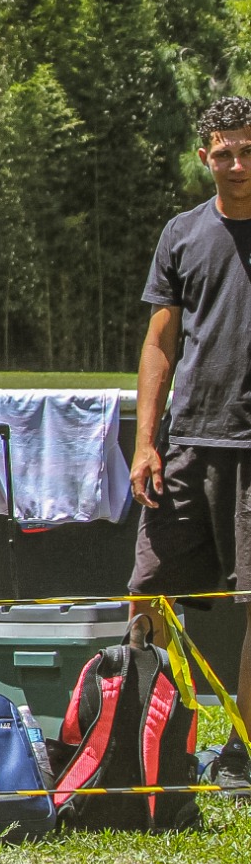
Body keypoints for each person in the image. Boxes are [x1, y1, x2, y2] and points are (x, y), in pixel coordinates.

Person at [131, 94, 251, 790]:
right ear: (204, 154)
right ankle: (138, 732)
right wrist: (147, 442)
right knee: (145, 588)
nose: (236, 163)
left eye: (248, 150)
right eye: (224, 151)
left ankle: (239, 752)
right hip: (188, 443)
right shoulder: (182, 232)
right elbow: (159, 342)